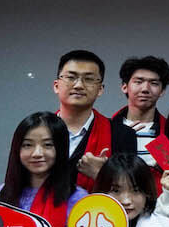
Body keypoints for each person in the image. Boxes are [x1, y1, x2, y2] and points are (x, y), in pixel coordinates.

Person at [52, 49, 138, 191]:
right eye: (71, 77)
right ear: (56, 86)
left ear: (100, 89)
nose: (79, 85)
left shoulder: (122, 135)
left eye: (89, 79)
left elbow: (130, 193)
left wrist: (102, 175)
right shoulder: (37, 130)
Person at [112, 56, 169, 168]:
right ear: (125, 87)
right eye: (138, 82)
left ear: (162, 91)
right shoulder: (108, 128)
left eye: (154, 83)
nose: (145, 89)